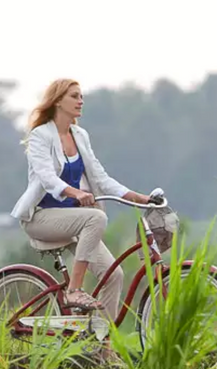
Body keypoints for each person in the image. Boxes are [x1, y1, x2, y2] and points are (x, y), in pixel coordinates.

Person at [10, 78, 151, 317]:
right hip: (40, 219)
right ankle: (74, 290)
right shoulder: (40, 136)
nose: (81, 101)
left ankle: (101, 348)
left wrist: (142, 199)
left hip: (72, 220)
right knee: (95, 218)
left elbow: (101, 178)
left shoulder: (80, 135)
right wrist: (75, 192)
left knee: (113, 275)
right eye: (74, 96)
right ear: (57, 101)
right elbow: (47, 178)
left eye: (81, 96)